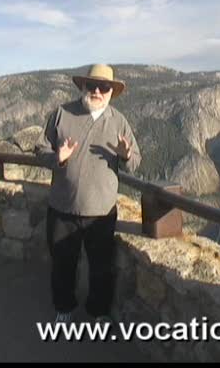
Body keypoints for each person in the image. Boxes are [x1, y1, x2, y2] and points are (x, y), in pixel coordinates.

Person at [34, 63, 141, 324]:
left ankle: (99, 311)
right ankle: (64, 306)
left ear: (111, 92)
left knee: (101, 267)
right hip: (63, 208)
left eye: (103, 87)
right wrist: (56, 157)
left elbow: (136, 161)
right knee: (62, 263)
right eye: (91, 85)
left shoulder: (119, 122)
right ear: (82, 86)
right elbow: (39, 149)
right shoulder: (61, 114)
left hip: (101, 212)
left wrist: (126, 155)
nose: (96, 91)